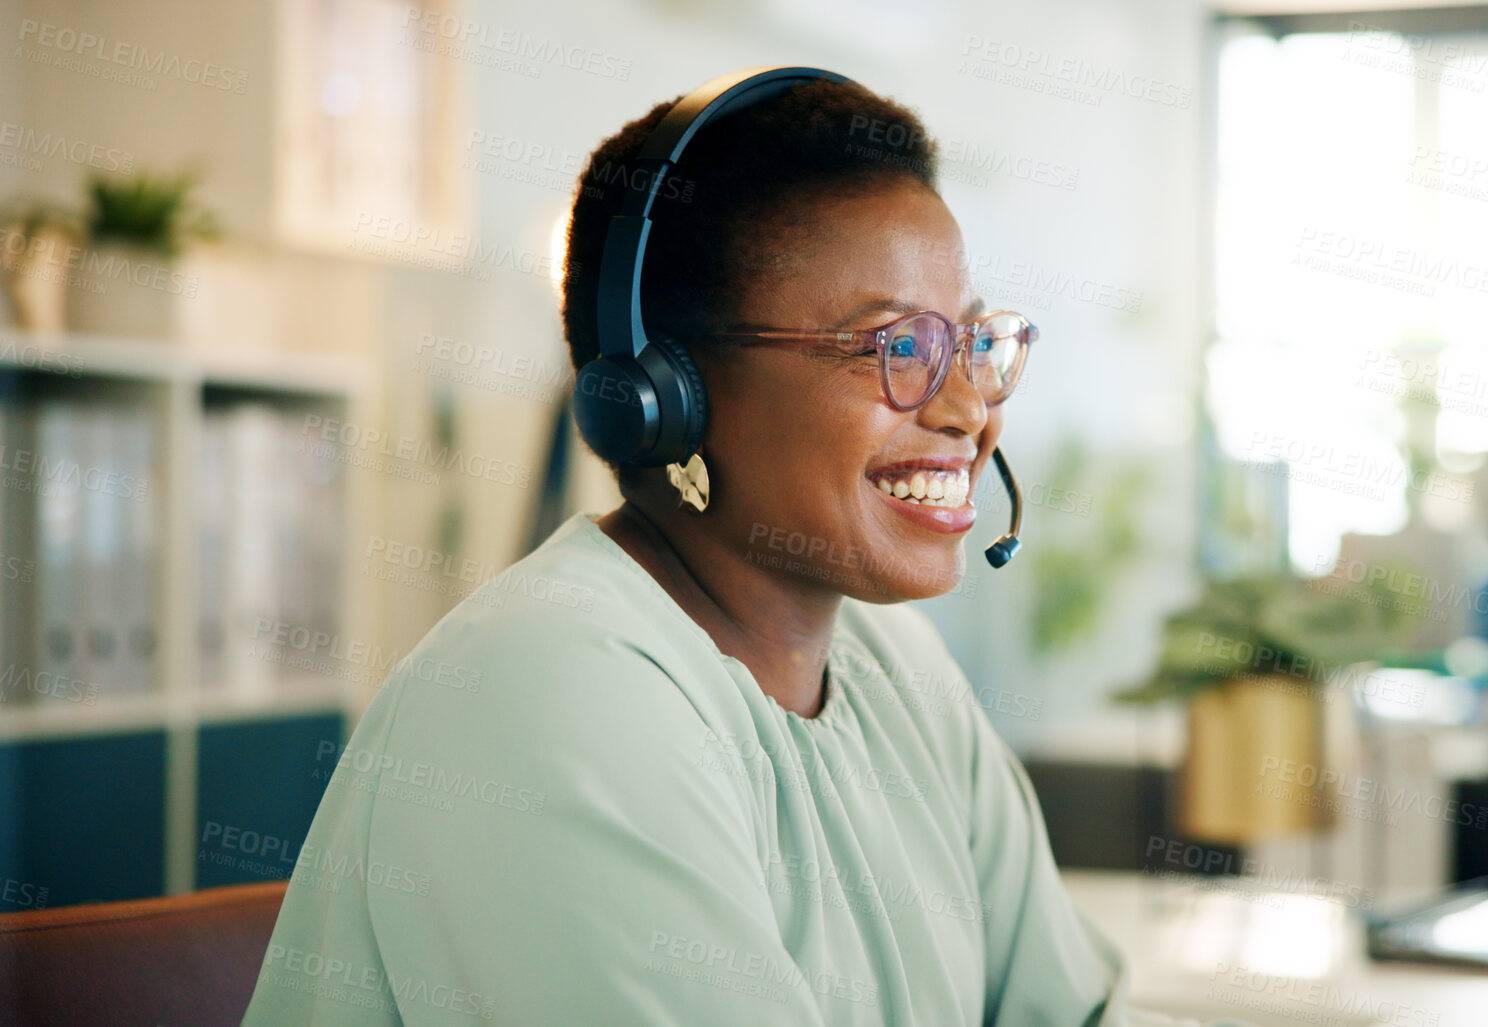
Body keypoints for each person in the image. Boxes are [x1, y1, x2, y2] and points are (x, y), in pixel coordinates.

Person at [241, 73, 1239, 1025]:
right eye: (896, 348)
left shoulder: (897, 675)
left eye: (973, 343)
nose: (968, 407)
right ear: (668, 397)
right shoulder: (553, 690)